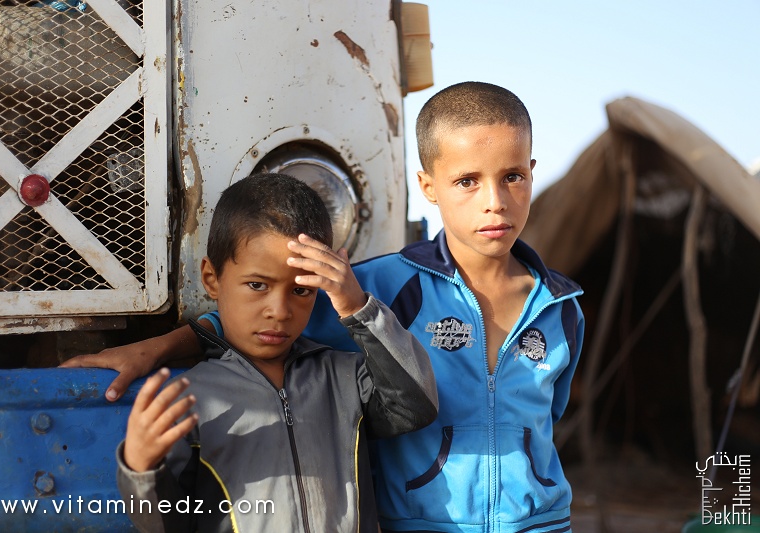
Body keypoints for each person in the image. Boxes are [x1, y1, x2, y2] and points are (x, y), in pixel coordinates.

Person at [64, 82, 585, 533]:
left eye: (512, 175)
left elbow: (547, 420)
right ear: (427, 186)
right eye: (468, 180)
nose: (494, 200)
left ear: (532, 173)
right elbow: (257, 324)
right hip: (421, 521)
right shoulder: (376, 286)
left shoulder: (562, 308)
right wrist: (158, 347)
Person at [113, 173, 438, 532]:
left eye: (301, 291)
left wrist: (356, 306)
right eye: (257, 285)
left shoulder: (344, 377)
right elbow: (165, 525)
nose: (280, 311)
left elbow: (416, 405)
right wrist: (141, 470)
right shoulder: (190, 399)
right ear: (211, 278)